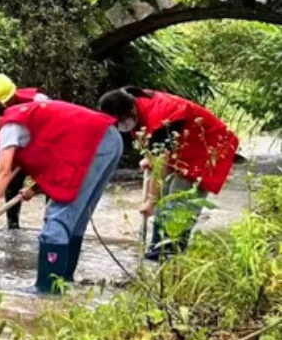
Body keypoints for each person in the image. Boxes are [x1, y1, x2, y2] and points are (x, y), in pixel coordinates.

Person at [0, 98, 122, 292]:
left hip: (94, 144)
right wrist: (34, 189)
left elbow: (3, 171)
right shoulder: (24, 119)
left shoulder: (8, 125)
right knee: (75, 220)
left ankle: (46, 290)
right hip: (109, 139)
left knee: (57, 220)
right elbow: (56, 158)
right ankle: (64, 281)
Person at [99, 87, 239, 260]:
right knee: (163, 197)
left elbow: (160, 163)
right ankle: (157, 252)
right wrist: (150, 158)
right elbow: (155, 148)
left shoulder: (162, 115)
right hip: (182, 148)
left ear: (131, 111)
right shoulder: (134, 103)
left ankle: (171, 254)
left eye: (121, 120)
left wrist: (150, 201)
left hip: (209, 147)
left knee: (179, 202)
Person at [0, 73, 50, 230]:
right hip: (14, 152)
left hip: (43, 150)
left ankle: (50, 224)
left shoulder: (39, 102)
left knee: (51, 185)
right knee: (11, 184)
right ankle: (12, 226)